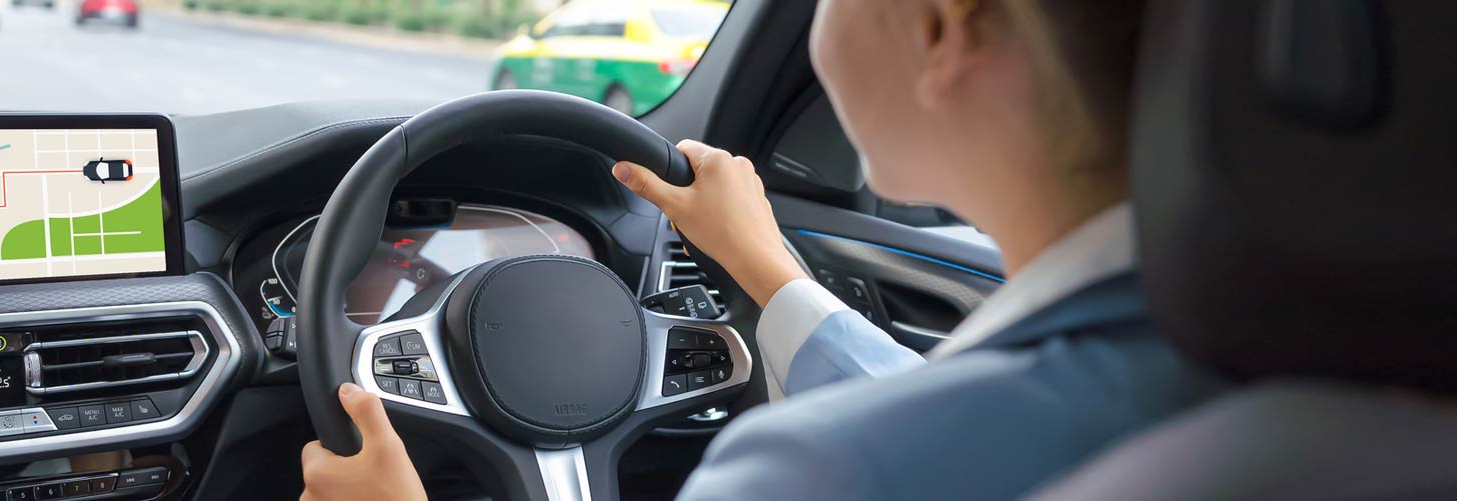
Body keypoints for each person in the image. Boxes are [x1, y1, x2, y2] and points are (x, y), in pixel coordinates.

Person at [300, 0, 1227, 499]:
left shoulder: (817, 470)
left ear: (945, 25)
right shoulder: (1254, 365)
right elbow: (923, 409)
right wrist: (769, 271)